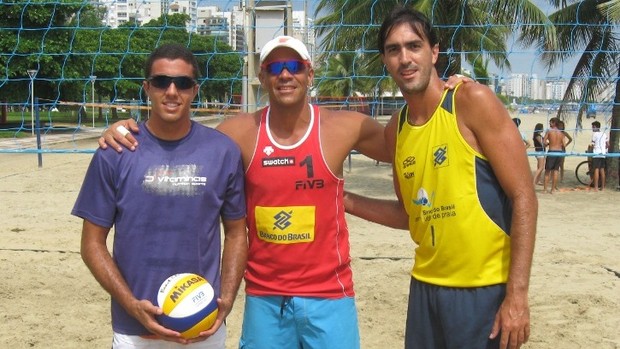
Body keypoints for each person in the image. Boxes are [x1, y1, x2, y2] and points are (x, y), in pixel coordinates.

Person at [99, 37, 469, 348]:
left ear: (309, 73)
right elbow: (181, 136)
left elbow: (408, 139)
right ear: (263, 77)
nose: (285, 74)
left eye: (293, 66)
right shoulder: (237, 133)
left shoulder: (345, 128)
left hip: (330, 296)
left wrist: (443, 95)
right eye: (275, 68)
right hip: (264, 299)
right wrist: (126, 129)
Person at [343, 7, 536, 349]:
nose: (405, 58)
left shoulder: (471, 100)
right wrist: (343, 200)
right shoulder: (396, 131)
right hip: (425, 287)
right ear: (385, 60)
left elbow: (524, 197)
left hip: (484, 289)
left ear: (434, 51)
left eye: (414, 46)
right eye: (393, 49)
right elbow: (409, 215)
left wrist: (517, 295)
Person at [72, 43, 248, 348]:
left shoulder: (223, 151)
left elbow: (236, 234)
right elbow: (91, 243)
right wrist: (131, 304)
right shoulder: (115, 152)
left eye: (182, 83)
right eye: (160, 81)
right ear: (146, 88)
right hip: (135, 329)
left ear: (195, 90)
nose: (171, 91)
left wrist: (228, 299)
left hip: (203, 324)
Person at [543, 117, 566, 194]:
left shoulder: (549, 131)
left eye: (550, 122)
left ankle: (545, 189)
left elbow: (544, 142)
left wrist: (549, 143)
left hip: (552, 152)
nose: (549, 124)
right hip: (559, 152)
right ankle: (553, 189)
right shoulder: (561, 133)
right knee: (556, 171)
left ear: (553, 123)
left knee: (547, 172)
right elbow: (564, 145)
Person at [590, 120, 609, 191]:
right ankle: (603, 187)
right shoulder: (604, 134)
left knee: (596, 170)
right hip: (603, 154)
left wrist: (592, 148)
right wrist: (604, 149)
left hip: (596, 154)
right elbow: (608, 145)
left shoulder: (595, 134)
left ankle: (596, 187)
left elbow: (592, 145)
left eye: (592, 127)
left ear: (595, 127)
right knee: (602, 170)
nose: (592, 129)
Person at [556, 120, 573, 185]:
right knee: (555, 164)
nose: (561, 127)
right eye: (559, 125)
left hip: (562, 149)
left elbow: (570, 139)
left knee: (561, 164)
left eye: (562, 126)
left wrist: (566, 144)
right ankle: (554, 178)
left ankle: (562, 178)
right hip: (556, 149)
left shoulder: (564, 133)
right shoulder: (555, 132)